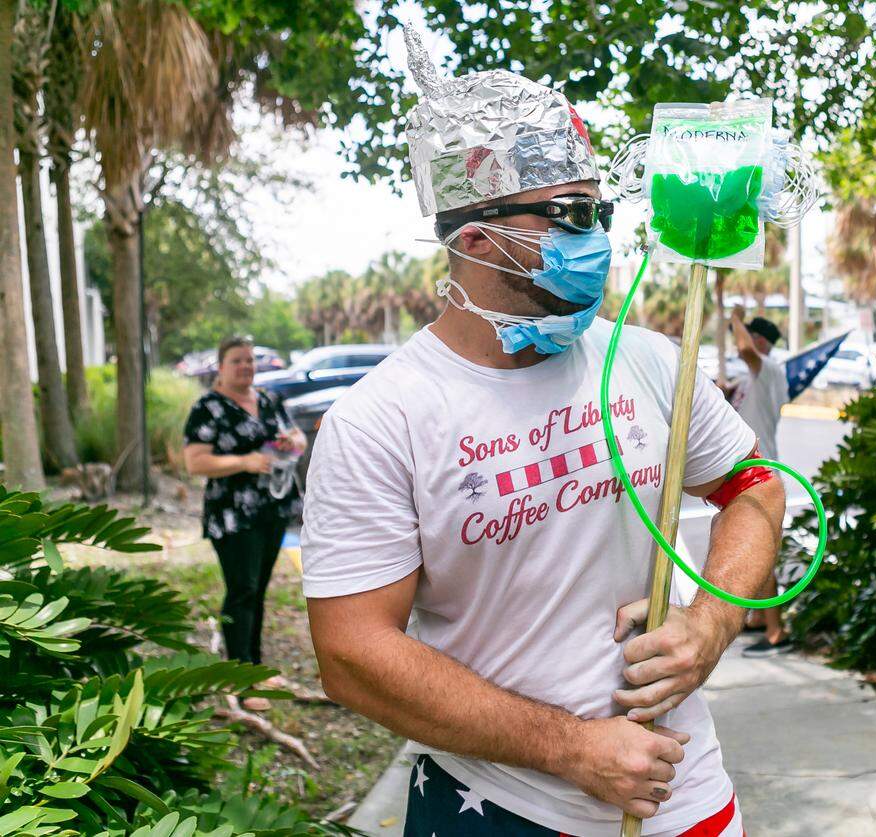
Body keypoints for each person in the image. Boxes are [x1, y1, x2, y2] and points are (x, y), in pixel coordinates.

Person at [301, 26, 785, 836]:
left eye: (600, 210)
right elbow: (351, 652)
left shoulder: (647, 358)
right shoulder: (380, 420)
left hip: (685, 798)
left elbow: (755, 488)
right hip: (498, 808)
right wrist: (569, 748)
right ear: (480, 237)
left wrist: (711, 619)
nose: (597, 235)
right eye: (570, 214)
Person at [183, 336, 306, 712]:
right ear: (220, 367)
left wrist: (291, 442)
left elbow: (297, 437)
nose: (245, 367)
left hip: (272, 508)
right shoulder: (208, 407)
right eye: (237, 360)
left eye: (250, 361)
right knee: (242, 590)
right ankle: (239, 681)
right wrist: (244, 461)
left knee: (258, 591)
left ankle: (254, 668)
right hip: (233, 515)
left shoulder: (269, 400)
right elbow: (195, 462)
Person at [729, 309, 792, 654]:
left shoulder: (768, 370)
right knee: (754, 547)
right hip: (746, 470)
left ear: (761, 341)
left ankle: (775, 632)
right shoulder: (754, 378)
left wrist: (735, 317)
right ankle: (757, 620)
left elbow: (745, 350)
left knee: (761, 552)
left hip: (759, 472)